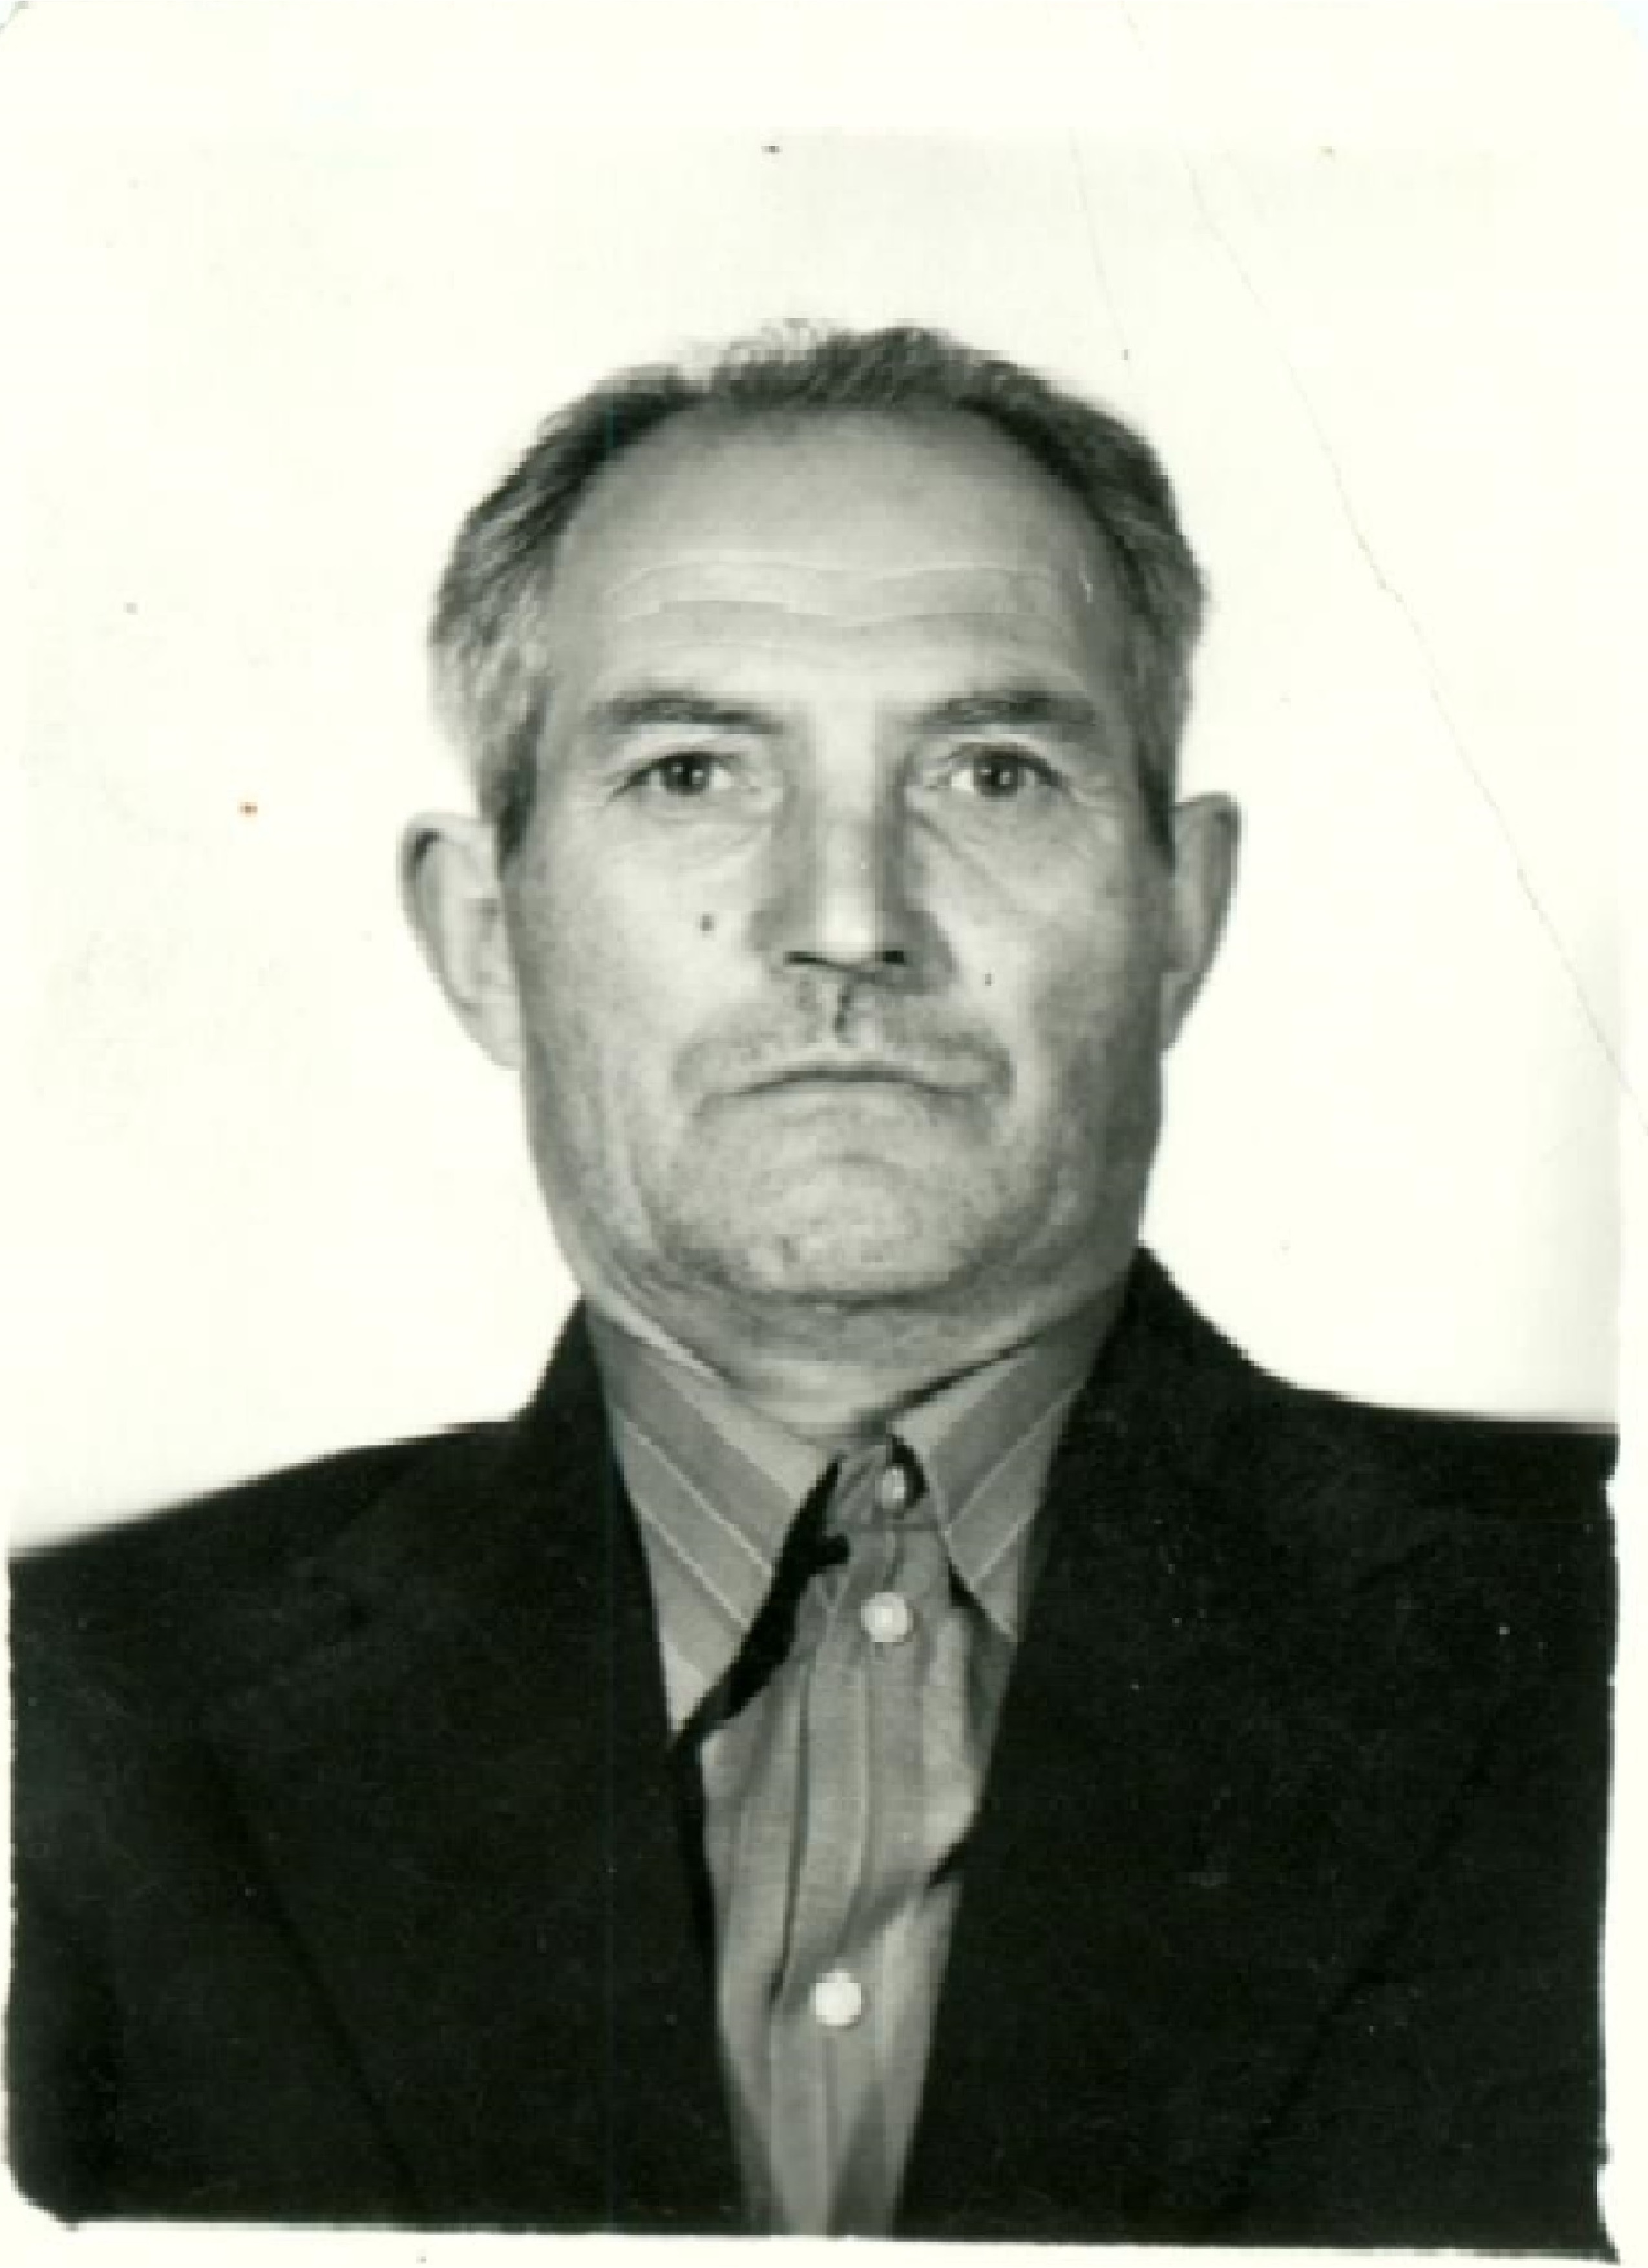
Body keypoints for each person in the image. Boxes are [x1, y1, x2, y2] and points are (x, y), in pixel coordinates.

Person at [8, 322, 1616, 2248]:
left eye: (993, 774)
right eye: (692, 772)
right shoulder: (81, 1710)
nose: (848, 919)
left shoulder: (1590, 1632)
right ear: (484, 934)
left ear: (1181, 915)